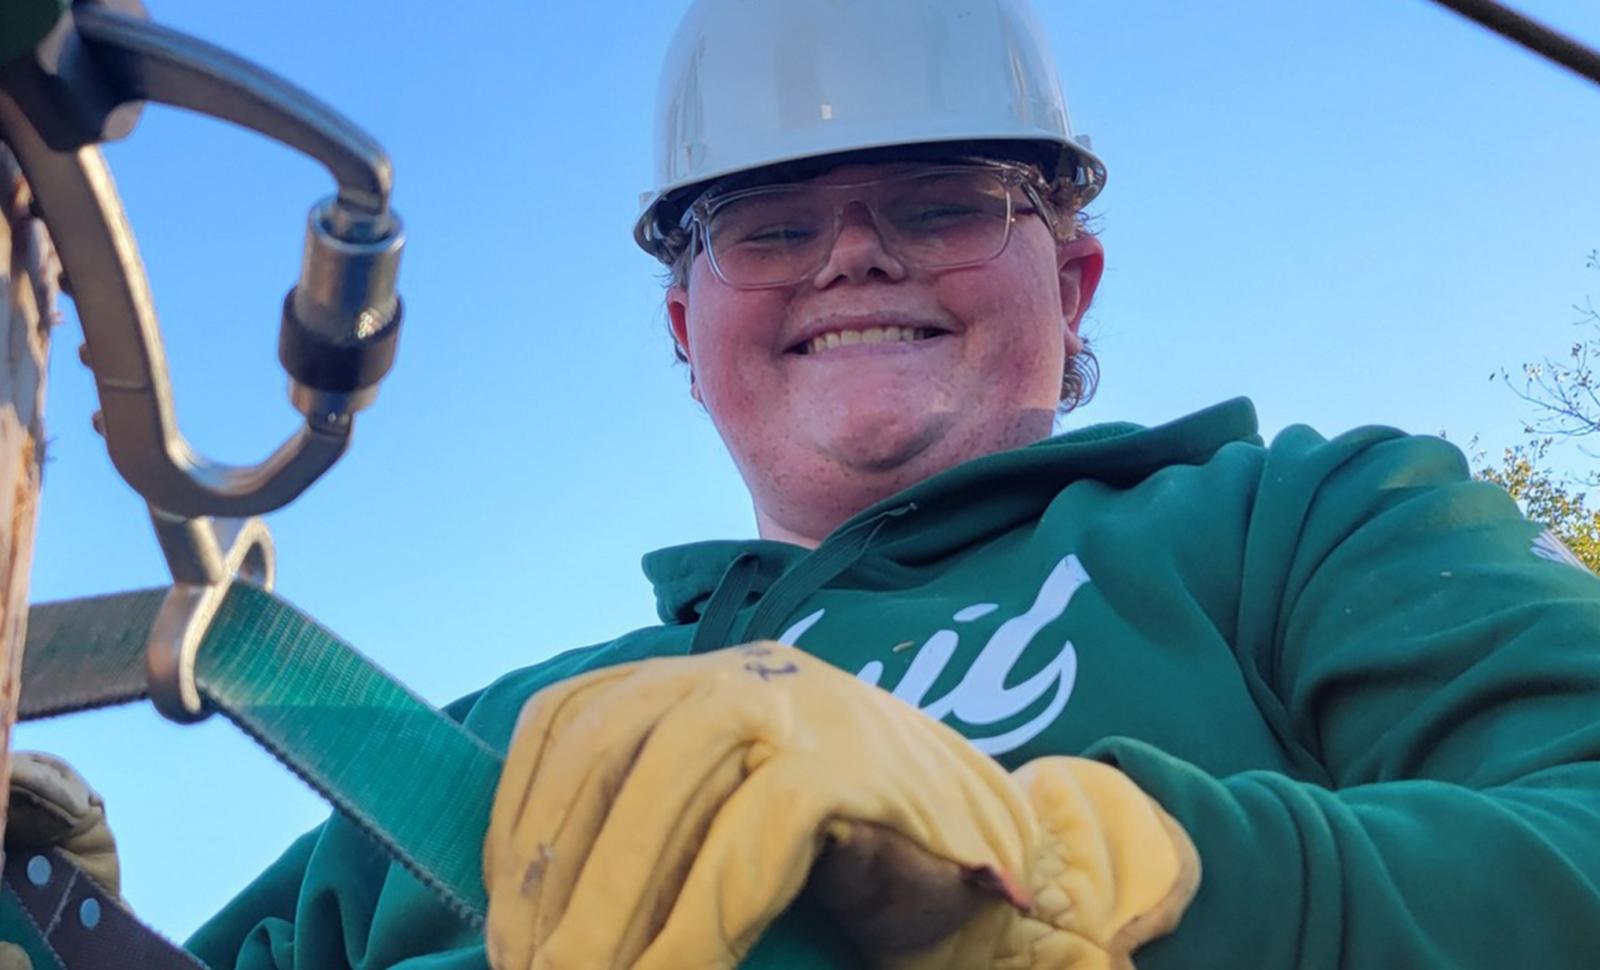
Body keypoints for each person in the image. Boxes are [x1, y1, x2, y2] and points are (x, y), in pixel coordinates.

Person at [19, 0, 1600, 966]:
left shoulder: (1303, 522)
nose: (855, 250)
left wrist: (1102, 872)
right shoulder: (462, 738)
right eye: (769, 224)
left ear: (1078, 278)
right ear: (683, 326)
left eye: (940, 197)